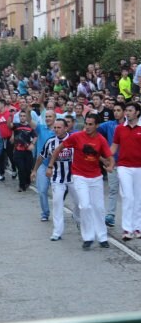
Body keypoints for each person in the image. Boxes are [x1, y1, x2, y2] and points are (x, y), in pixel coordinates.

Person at [48, 114, 114, 250]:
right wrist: (50, 166)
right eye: (86, 124)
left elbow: (108, 156)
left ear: (97, 126)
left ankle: (102, 237)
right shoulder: (77, 137)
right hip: (79, 176)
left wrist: (110, 166)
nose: (88, 127)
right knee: (84, 206)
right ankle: (88, 237)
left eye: (91, 124)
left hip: (96, 177)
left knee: (99, 207)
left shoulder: (101, 140)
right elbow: (57, 150)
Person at [32, 119, 79, 241]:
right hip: (57, 178)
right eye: (55, 127)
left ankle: (78, 218)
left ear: (66, 128)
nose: (56, 130)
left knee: (80, 203)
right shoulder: (51, 142)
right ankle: (57, 232)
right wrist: (34, 170)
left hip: (74, 177)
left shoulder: (74, 140)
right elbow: (41, 156)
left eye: (59, 127)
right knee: (57, 203)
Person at [110, 102, 141, 240]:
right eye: (126, 110)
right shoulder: (119, 129)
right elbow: (114, 147)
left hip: (139, 167)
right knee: (128, 196)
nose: (127, 113)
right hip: (123, 166)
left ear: (137, 112)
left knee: (138, 197)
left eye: (130, 110)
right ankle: (127, 229)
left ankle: (137, 227)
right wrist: (108, 161)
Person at [97, 102, 125, 227]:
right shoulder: (109, 125)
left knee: (129, 193)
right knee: (113, 190)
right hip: (113, 163)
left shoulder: (131, 126)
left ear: (125, 111)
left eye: (119, 110)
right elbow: (93, 130)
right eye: (114, 110)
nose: (116, 112)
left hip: (128, 164)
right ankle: (111, 215)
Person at [29, 110, 56, 221]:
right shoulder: (41, 128)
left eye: (50, 116)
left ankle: (57, 212)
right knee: (42, 191)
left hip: (56, 166)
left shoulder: (58, 130)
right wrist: (27, 111)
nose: (48, 118)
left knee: (58, 192)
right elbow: (30, 121)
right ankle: (45, 213)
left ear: (55, 117)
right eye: (46, 116)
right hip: (42, 164)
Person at [9, 109, 36, 192]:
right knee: (21, 168)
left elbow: (35, 136)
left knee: (28, 169)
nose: (22, 117)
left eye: (24, 116)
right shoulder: (16, 125)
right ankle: (21, 185)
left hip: (27, 151)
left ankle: (27, 181)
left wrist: (32, 144)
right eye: (21, 116)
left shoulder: (30, 127)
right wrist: (10, 116)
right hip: (18, 151)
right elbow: (10, 125)